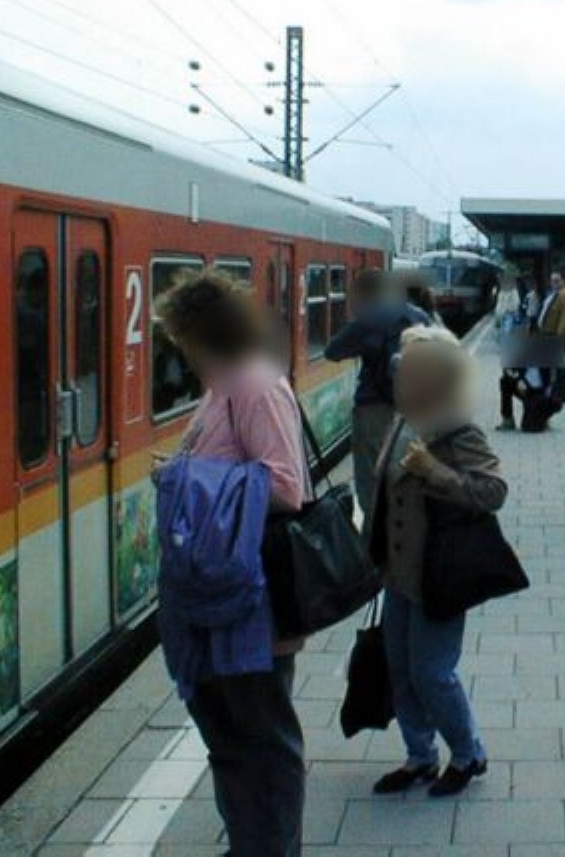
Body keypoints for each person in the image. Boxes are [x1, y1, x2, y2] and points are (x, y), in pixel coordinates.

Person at [153, 269, 311, 855]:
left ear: (202, 333)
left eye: (180, 337)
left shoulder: (254, 386)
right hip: (218, 600)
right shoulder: (223, 385)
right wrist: (182, 472)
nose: (180, 349)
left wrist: (189, 480)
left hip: (253, 603)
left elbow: (286, 487)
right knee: (229, 739)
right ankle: (249, 843)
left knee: (264, 743)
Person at [366, 326, 506, 797]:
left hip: (437, 572)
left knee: (432, 672)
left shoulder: (457, 429)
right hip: (397, 573)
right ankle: (420, 756)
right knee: (401, 669)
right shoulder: (402, 419)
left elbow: (493, 491)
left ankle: (468, 754)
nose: (400, 376)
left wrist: (436, 472)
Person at [324, 269, 429, 517]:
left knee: (372, 481)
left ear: (363, 293)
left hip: (374, 411)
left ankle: (376, 534)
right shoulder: (419, 315)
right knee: (408, 473)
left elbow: (332, 351)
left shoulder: (369, 319)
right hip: (416, 412)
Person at [538, 272, 565, 403]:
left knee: (558, 364)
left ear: (563, 281)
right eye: (552, 280)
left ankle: (560, 393)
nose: (554, 283)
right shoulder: (554, 294)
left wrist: (560, 335)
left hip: (557, 334)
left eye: (557, 280)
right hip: (548, 333)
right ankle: (551, 390)